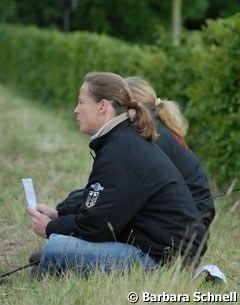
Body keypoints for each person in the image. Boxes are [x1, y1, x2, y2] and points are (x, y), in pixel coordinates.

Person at [28, 71, 206, 277]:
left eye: (81, 102)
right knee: (60, 246)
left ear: (102, 106)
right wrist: (60, 215)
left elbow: (97, 227)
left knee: (56, 248)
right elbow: (100, 205)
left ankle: (55, 263)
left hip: (162, 263)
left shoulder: (121, 149)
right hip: (164, 252)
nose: (76, 110)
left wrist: (50, 228)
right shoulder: (122, 140)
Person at [125, 76, 215, 229]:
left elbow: (136, 187)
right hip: (190, 214)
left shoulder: (152, 135)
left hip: (191, 221)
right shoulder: (155, 127)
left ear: (133, 106)